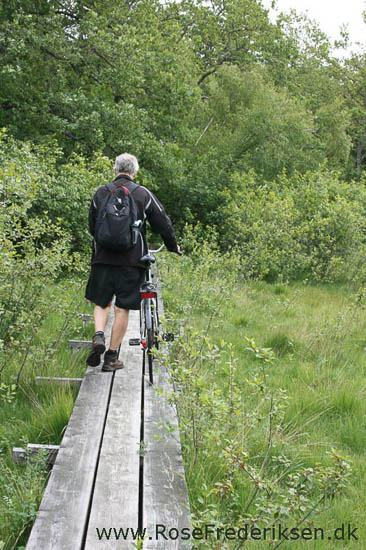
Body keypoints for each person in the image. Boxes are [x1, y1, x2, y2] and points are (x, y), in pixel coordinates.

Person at [85, 152, 180, 372]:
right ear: (135, 172)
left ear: (115, 169)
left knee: (102, 303)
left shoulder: (100, 193)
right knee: (122, 308)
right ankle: (110, 358)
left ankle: (98, 335)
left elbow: (92, 226)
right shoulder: (142, 194)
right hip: (132, 261)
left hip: (102, 259)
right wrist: (173, 246)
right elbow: (163, 223)